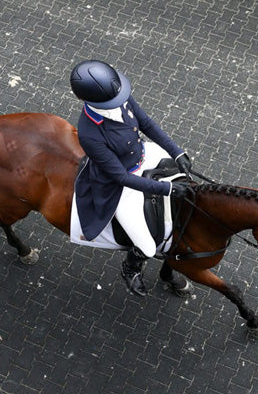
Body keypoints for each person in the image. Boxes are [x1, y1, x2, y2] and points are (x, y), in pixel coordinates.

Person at [69, 60, 192, 296]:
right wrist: (165, 189)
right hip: (119, 185)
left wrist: (176, 152)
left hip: (143, 155)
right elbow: (120, 177)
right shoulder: (89, 133)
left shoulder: (120, 98)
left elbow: (146, 123)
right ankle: (131, 267)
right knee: (146, 246)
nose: (119, 102)